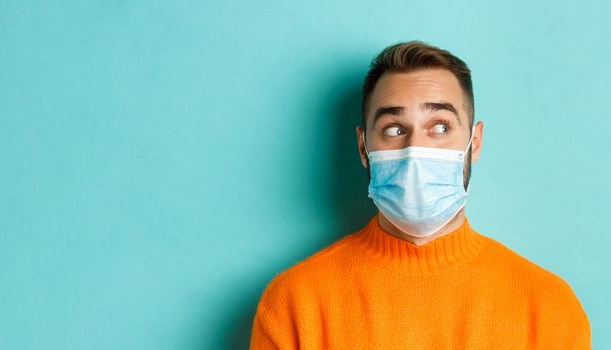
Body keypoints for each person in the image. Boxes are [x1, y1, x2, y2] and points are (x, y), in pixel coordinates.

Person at [250, 40, 591, 349]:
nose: (415, 149)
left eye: (440, 127)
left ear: (474, 143)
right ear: (363, 148)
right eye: (394, 129)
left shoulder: (548, 307)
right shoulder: (295, 303)